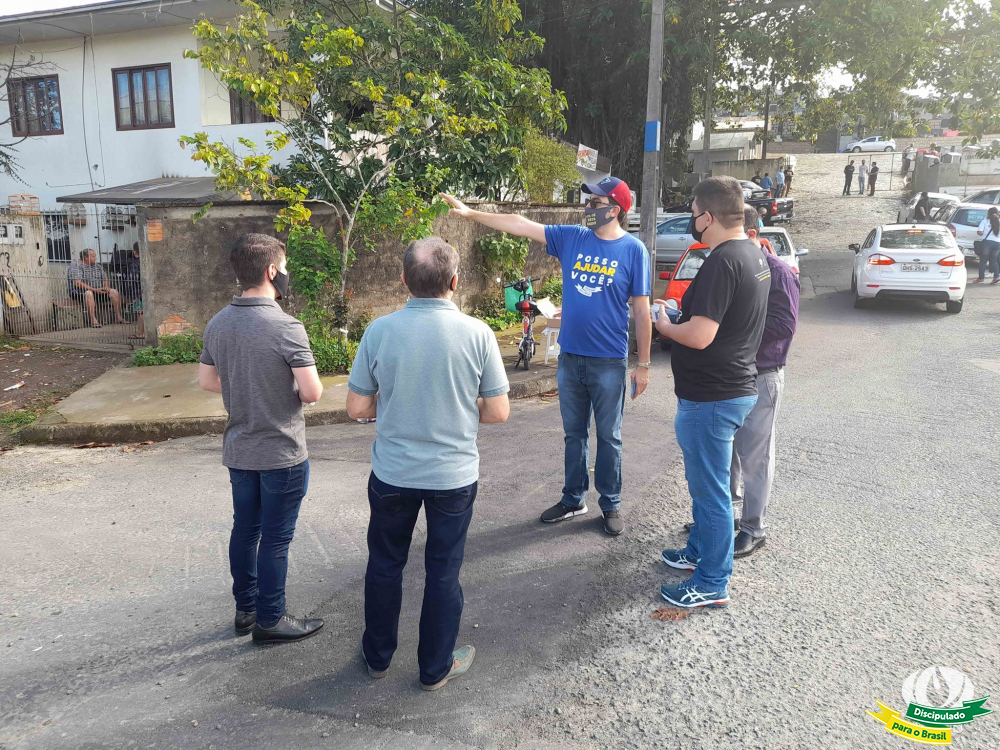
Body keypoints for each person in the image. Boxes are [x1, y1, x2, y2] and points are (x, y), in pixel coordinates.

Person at [441, 176, 652, 537]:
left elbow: (643, 311)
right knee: (574, 434)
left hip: (608, 361)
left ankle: (610, 502)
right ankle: (573, 499)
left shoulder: (634, 251)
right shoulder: (573, 238)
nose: (588, 208)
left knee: (609, 436)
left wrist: (643, 364)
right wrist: (471, 213)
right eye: (588, 201)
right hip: (570, 357)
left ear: (615, 210)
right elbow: (521, 224)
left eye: (596, 203)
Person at [347, 237, 510, 691]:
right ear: (455, 282)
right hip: (452, 477)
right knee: (443, 571)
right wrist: (457, 407)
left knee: (385, 564)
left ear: (404, 279)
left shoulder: (379, 331)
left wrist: (394, 404)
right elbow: (498, 412)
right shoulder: (478, 333)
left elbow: (357, 408)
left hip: (392, 473)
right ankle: (435, 668)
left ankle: (378, 658)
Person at [198, 233, 325, 645]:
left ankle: (246, 610)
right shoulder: (286, 327)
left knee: (245, 530)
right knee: (275, 538)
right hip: (281, 452)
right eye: (284, 267)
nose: (286, 273)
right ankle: (271, 619)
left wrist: (246, 384)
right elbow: (312, 392)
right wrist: (274, 384)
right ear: (271, 271)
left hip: (239, 450)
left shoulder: (218, 322)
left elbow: (207, 381)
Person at [654, 176, 769, 608]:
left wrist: (665, 325)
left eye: (692, 213)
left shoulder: (723, 261)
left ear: (706, 216)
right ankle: (698, 552)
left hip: (712, 396)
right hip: (730, 387)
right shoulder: (751, 253)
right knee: (707, 484)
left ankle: (712, 582)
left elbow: (701, 335)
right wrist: (680, 313)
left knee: (711, 492)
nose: (692, 221)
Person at [729, 207, 799, 557]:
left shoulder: (779, 272)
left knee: (756, 456)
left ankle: (753, 528)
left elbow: (784, 325)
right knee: (727, 452)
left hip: (762, 375)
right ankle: (723, 518)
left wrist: (734, 330)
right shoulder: (735, 268)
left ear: (753, 235)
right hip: (730, 375)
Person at [67, 249, 126, 328]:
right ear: (86, 258)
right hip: (80, 291)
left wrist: (106, 287)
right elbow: (77, 282)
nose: (95, 258)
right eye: (93, 256)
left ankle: (119, 317)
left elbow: (105, 278)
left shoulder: (97, 266)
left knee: (114, 292)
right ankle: (93, 319)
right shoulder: (76, 266)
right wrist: (95, 290)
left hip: (98, 291)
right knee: (89, 293)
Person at [973, 207, 1000, 284]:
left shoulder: (985, 221)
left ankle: (981, 278)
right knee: (994, 261)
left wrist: (984, 233)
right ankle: (996, 277)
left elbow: (979, 232)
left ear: (988, 213)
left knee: (983, 261)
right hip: (997, 243)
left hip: (987, 243)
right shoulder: (999, 221)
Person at [124, 242, 145, 340]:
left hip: (138, 292)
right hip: (147, 291)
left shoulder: (134, 264)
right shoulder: (147, 261)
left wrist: (132, 296)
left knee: (140, 312)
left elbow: (132, 281)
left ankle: (141, 333)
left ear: (135, 252)